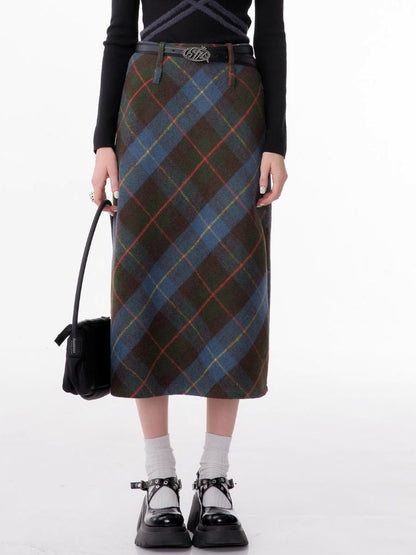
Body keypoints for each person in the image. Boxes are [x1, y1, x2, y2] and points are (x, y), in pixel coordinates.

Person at [90, 0, 288, 548]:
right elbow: (119, 35)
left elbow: (271, 34)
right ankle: (159, 480)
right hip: (148, 104)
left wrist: (276, 142)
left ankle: (215, 478)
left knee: (235, 284)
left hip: (235, 104)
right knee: (143, 277)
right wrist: (103, 141)